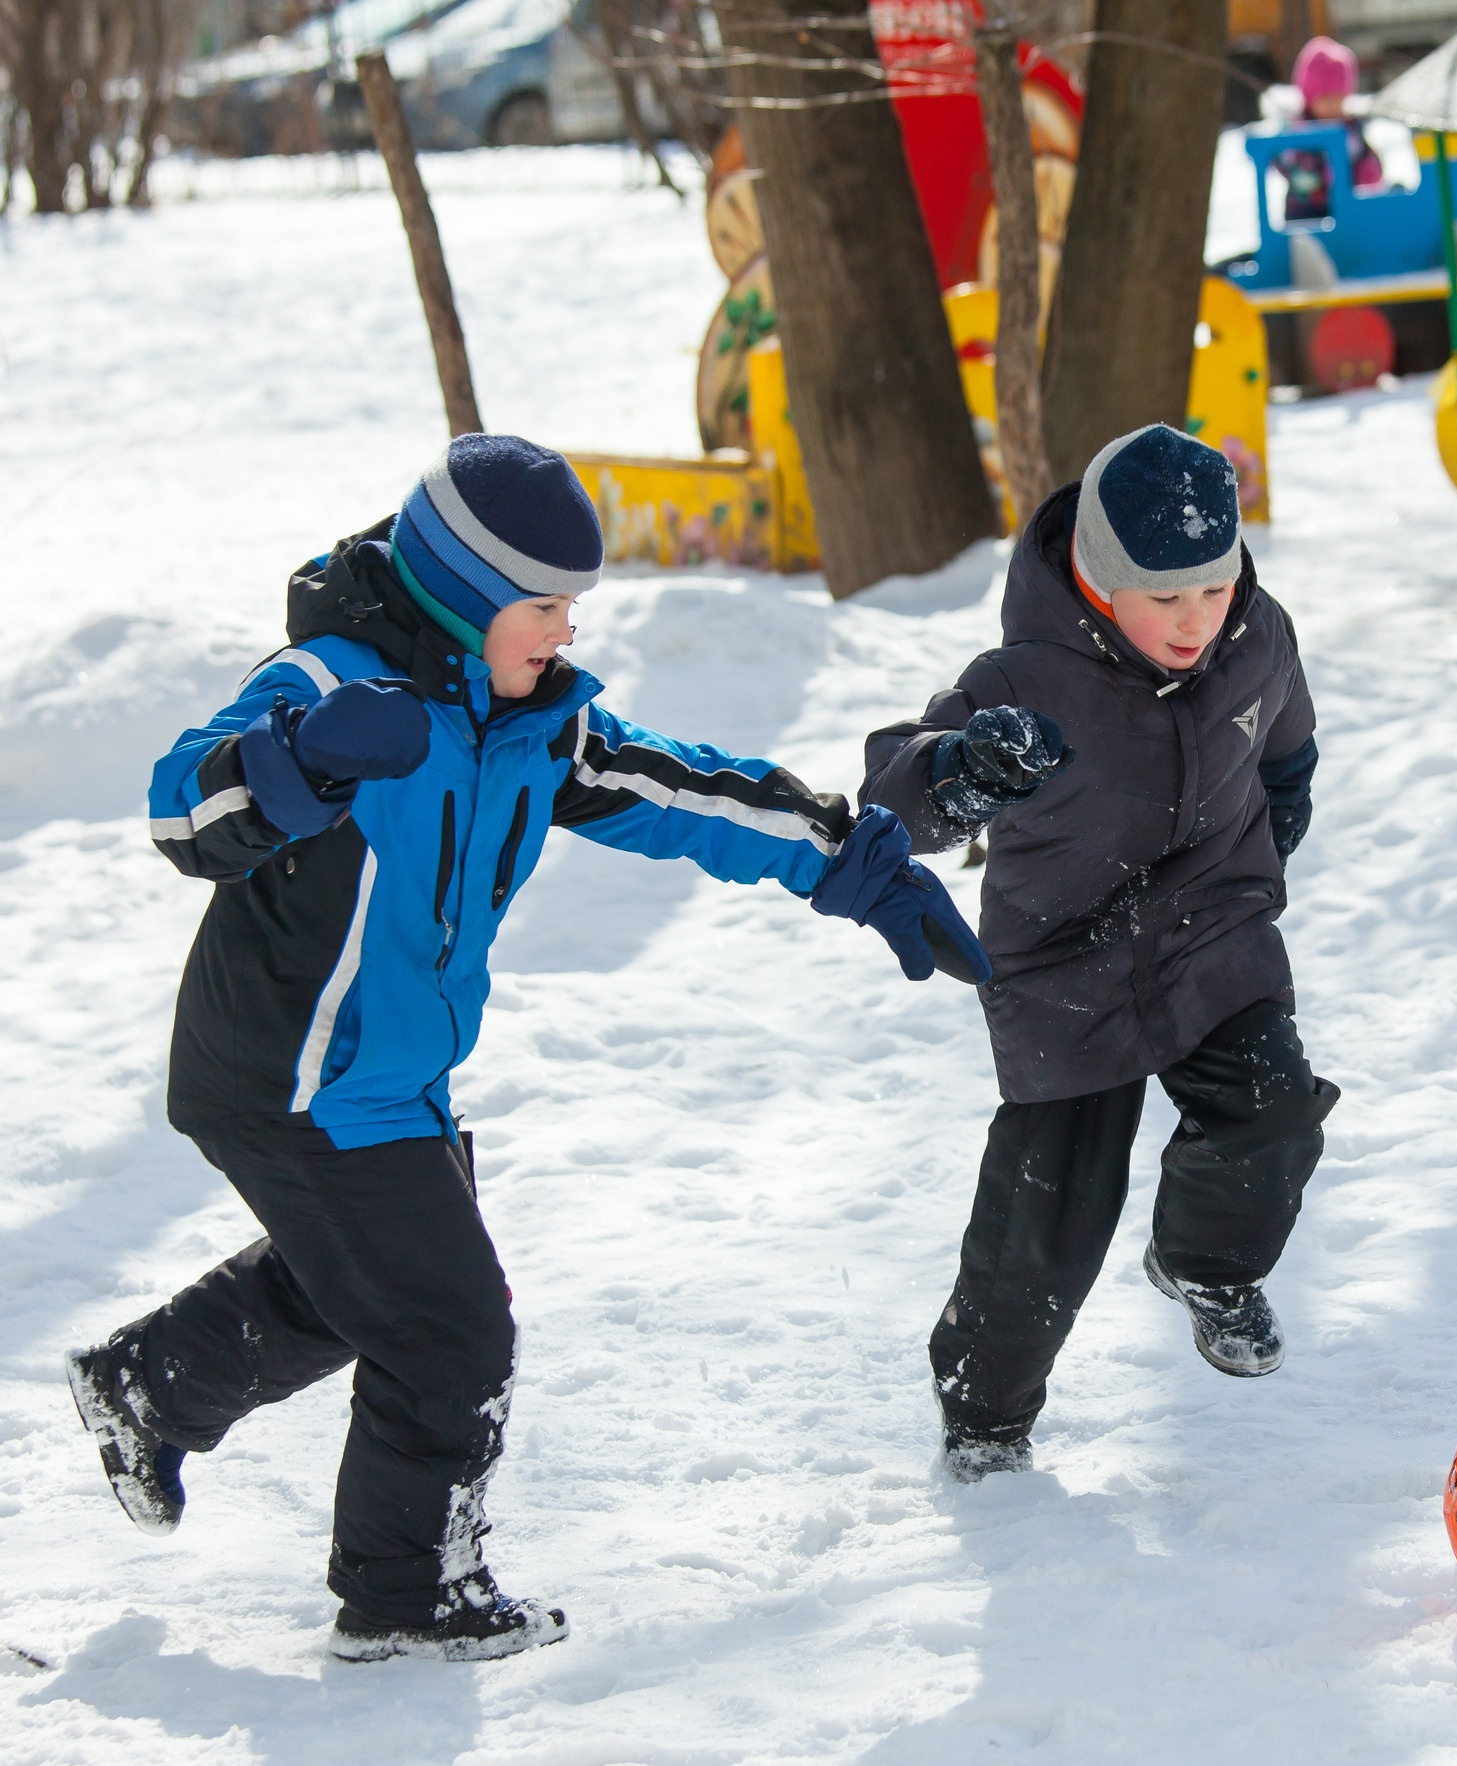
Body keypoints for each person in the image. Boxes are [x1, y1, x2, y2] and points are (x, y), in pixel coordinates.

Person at [66, 434, 986, 1662]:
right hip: (291, 1073)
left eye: (569, 606)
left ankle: (148, 1386)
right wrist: (303, 761)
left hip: (389, 1071)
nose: (564, 629)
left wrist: (845, 863)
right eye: (541, 605)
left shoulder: (533, 721)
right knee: (450, 1331)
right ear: (464, 594)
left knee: (365, 1285)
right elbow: (183, 808)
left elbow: (681, 792)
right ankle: (405, 1595)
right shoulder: (325, 680)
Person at [861, 424, 1338, 1484]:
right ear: (1097, 577)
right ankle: (985, 1414)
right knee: (1050, 1214)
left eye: (1213, 587)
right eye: (1163, 597)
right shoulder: (1026, 677)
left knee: (1272, 1110)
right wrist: (965, 771)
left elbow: (1286, 744)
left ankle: (1206, 1265)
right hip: (1064, 958)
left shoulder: (1257, 635)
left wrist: (1276, 823)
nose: (1195, 619)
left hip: (1213, 928)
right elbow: (893, 793)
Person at [1278, 36, 1381, 223]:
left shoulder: (1351, 129)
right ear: (1309, 98)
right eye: (1325, 98)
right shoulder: (1300, 130)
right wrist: (1309, 170)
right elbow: (1284, 160)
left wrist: (1368, 172)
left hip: (1347, 211)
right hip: (1307, 213)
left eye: (1338, 97)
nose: (1333, 105)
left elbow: (1366, 159)